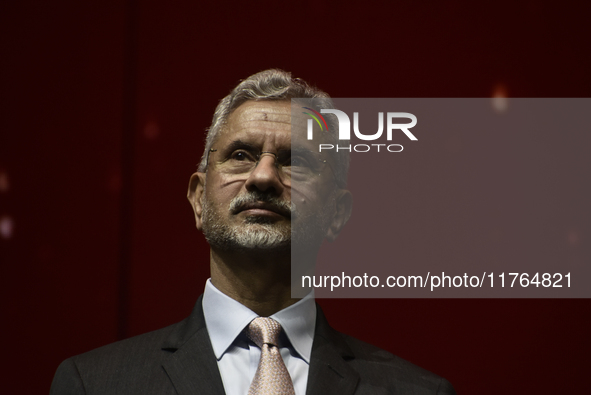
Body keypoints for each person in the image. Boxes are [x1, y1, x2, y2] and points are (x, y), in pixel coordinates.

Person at [50, 69, 456, 394]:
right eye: (240, 155)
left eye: (294, 160)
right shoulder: (94, 384)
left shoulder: (418, 391)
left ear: (337, 213)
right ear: (197, 199)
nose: (263, 176)